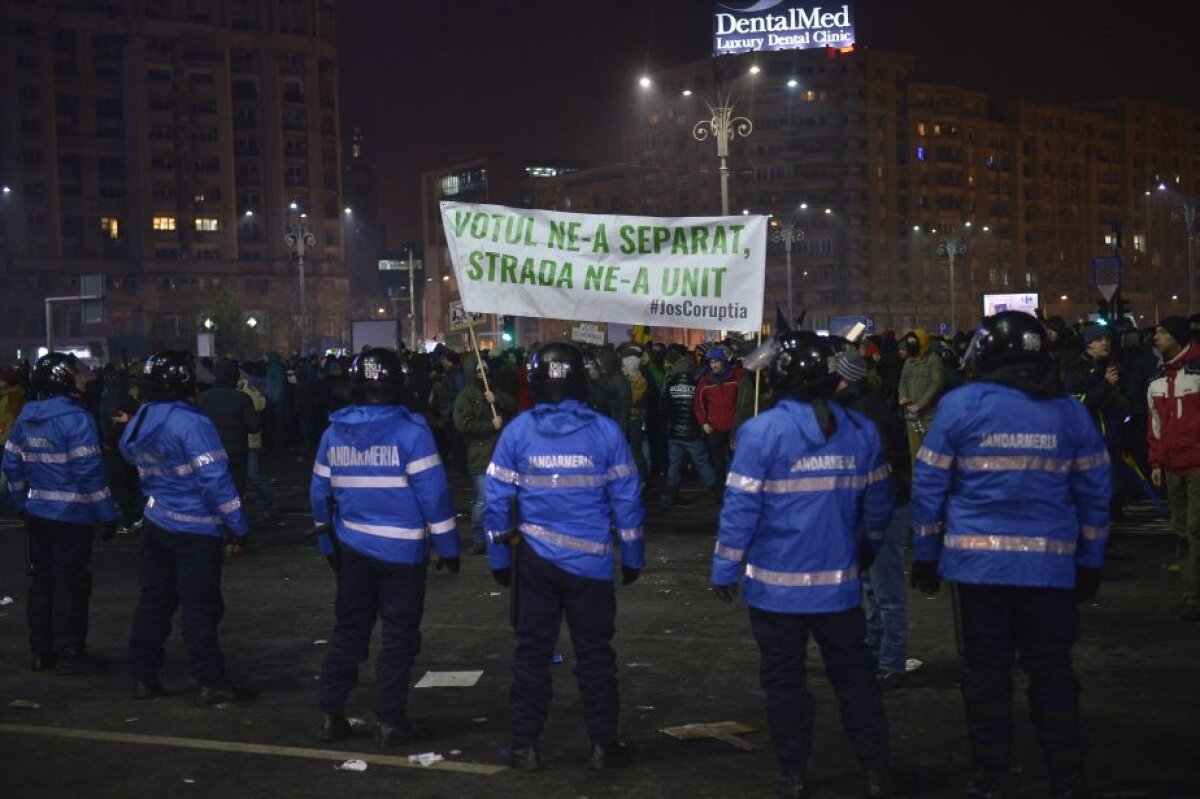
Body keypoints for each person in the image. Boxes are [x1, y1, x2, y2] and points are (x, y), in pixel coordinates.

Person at [909, 312, 1111, 798]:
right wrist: (1090, 561)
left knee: (985, 676)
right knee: (1052, 673)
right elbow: (1096, 494)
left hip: (978, 571)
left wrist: (925, 555)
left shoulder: (960, 406)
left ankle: (990, 777)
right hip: (1050, 569)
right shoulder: (1069, 413)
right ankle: (1067, 777)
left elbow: (929, 488)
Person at [711, 331, 893, 799]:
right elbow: (878, 506)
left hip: (775, 592)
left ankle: (793, 773)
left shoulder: (760, 432)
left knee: (785, 685)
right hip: (839, 588)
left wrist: (725, 568)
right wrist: (866, 548)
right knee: (855, 680)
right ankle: (875, 770)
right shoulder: (861, 431)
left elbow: (740, 510)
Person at [484, 341, 644, 772]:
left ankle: (526, 745)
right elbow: (627, 499)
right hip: (591, 564)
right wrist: (632, 555)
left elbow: (495, 504)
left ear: (534, 382)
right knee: (594, 655)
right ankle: (602, 746)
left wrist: (499, 561)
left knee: (531, 653)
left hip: (534, 562)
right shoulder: (606, 432)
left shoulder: (517, 432)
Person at [310, 348, 460, 747]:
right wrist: (448, 547)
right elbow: (434, 496)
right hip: (402, 555)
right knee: (398, 637)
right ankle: (390, 721)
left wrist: (328, 545)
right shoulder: (413, 432)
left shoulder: (333, 432)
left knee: (348, 631)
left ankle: (331, 714)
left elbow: (319, 495)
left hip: (353, 549)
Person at [121, 351, 255, 707]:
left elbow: (126, 452)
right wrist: (238, 526)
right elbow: (216, 481)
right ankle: (210, 682)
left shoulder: (142, 418)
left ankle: (143, 677)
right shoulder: (191, 422)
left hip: (157, 523)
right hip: (196, 530)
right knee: (200, 609)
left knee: (154, 602)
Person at [3, 353, 117, 675]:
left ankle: (41, 652)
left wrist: (21, 502)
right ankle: (71, 654)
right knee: (72, 585)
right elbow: (89, 472)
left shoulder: (27, 415)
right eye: (78, 376)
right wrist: (106, 513)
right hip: (71, 515)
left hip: (37, 513)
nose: (83, 381)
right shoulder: (77, 419)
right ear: (65, 381)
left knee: (42, 582)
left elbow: (12, 463)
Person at [832, 350, 919, 687]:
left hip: (885, 507)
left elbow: (876, 465)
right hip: (873, 506)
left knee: (886, 589)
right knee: (872, 585)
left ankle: (892, 661)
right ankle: (874, 652)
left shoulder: (866, 411)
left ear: (847, 378)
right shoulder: (858, 406)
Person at [1146, 316, 1200, 621]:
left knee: (1195, 530)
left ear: (1177, 338)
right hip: (1172, 464)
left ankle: (1194, 597)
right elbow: (1154, 424)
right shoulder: (1156, 380)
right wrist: (1156, 460)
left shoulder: (1196, 373)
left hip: (1196, 463)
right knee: (1182, 531)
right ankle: (1190, 594)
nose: (1156, 338)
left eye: (1162, 333)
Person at [453, 353, 515, 555]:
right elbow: (463, 424)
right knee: (481, 500)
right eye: (479, 370)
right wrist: (489, 425)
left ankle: (496, 536)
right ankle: (479, 539)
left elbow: (513, 406)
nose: (483, 373)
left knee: (499, 498)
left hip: (498, 454)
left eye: (485, 369)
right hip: (479, 454)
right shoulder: (466, 396)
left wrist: (497, 400)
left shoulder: (493, 391)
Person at [197, 358, 261, 493]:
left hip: (210, 452)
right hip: (236, 452)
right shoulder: (242, 398)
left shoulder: (202, 398)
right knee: (236, 490)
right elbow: (254, 427)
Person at [660, 354, 717, 505]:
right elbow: (702, 406)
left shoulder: (670, 384)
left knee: (674, 463)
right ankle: (713, 490)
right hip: (693, 432)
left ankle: (672, 492)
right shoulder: (697, 384)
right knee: (701, 462)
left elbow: (664, 407)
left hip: (675, 432)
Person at [694, 344, 743, 495]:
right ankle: (719, 494)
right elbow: (698, 404)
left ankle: (736, 492)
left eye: (716, 361)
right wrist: (703, 422)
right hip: (715, 429)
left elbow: (742, 402)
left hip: (733, 429)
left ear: (723, 362)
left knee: (736, 463)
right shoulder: (705, 383)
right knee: (719, 464)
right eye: (711, 362)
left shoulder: (735, 379)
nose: (713, 365)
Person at [897, 328, 944, 467]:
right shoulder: (909, 361)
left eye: (914, 342)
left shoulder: (933, 359)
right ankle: (917, 483)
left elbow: (937, 383)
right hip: (914, 418)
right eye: (909, 342)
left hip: (929, 417)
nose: (911, 345)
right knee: (916, 451)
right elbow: (903, 380)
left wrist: (920, 405)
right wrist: (903, 396)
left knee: (931, 451)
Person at [238, 371, 278, 520]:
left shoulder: (251, 391)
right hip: (239, 442)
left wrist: (247, 389)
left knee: (254, 476)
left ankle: (269, 505)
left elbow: (260, 404)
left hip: (250, 443)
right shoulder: (232, 392)